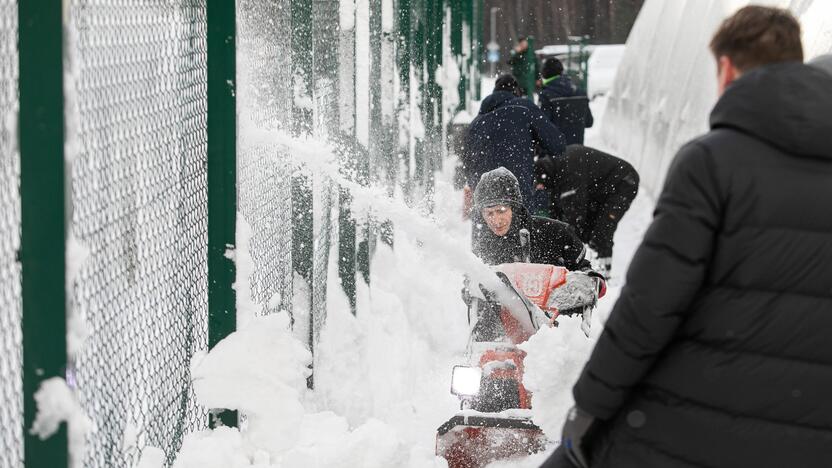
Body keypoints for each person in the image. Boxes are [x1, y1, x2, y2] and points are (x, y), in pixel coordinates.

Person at [543, 6, 832, 468]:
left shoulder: (712, 163)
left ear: (726, 69)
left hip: (706, 419)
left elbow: (649, 309)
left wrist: (587, 411)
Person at [462, 75, 566, 216]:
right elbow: (557, 144)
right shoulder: (523, 107)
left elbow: (466, 163)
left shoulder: (476, 123)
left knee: (488, 233)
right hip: (516, 190)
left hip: (484, 199)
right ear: (516, 92)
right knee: (522, 233)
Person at [536, 145, 639, 278]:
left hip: (624, 182)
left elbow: (574, 214)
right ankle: (591, 267)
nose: (540, 187)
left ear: (544, 175)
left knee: (602, 230)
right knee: (587, 230)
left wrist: (567, 245)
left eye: (540, 184)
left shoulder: (569, 168)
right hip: (602, 190)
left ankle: (603, 275)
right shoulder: (557, 171)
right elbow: (555, 209)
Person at [471, 167, 588, 271]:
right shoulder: (484, 249)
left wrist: (591, 278)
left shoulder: (556, 232)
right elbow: (473, 287)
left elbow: (583, 271)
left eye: (501, 211)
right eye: (489, 213)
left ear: (515, 209)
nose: (496, 221)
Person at [538, 58, 594, 145]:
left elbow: (543, 126)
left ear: (544, 74)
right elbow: (589, 122)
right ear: (561, 71)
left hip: (554, 152)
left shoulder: (546, 95)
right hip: (577, 152)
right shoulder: (580, 93)